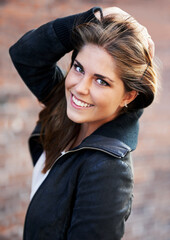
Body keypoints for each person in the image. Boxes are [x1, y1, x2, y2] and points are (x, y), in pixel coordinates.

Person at [9, 6, 157, 240]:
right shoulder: (67, 110)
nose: (80, 88)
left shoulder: (109, 171)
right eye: (78, 68)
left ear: (128, 96)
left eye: (101, 81)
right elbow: (26, 55)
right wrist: (91, 18)